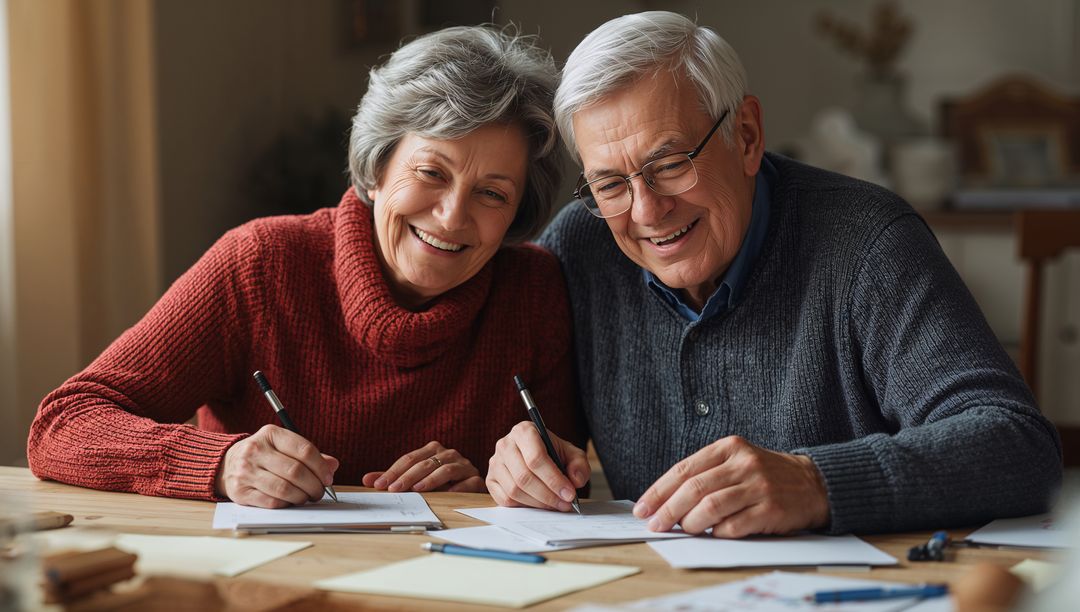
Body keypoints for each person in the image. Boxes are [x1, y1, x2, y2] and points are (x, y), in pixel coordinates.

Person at [487, 11, 1062, 535]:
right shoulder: (581, 246)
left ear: (747, 136)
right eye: (610, 183)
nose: (645, 211)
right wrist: (525, 460)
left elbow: (1018, 444)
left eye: (669, 164)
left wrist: (818, 482)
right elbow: (551, 446)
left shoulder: (869, 243)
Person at [27, 25, 584, 508]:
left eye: (492, 193)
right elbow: (63, 423)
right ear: (375, 168)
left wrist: (503, 485)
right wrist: (222, 463)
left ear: (517, 214)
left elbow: (565, 481)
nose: (451, 215)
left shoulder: (532, 292)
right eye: (432, 173)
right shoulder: (260, 265)